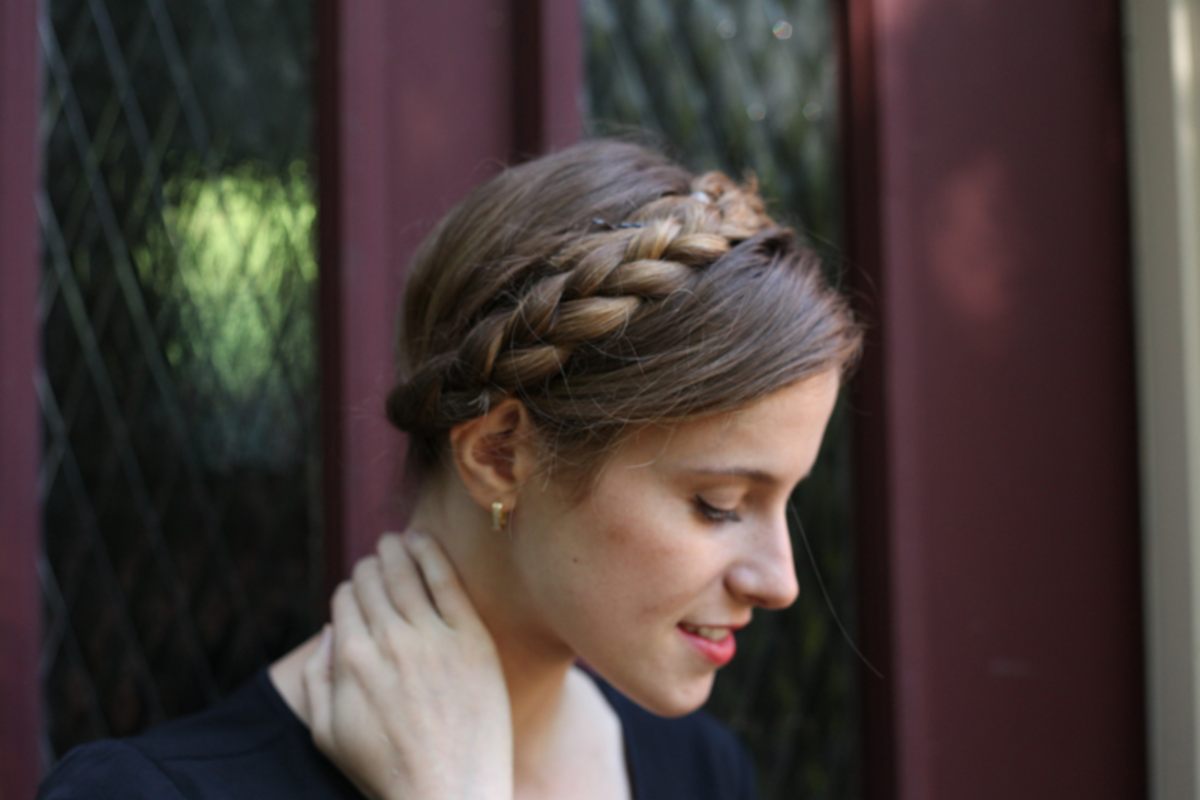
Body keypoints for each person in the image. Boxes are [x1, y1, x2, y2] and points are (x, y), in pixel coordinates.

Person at [38, 140, 861, 799]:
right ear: (500, 454)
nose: (781, 581)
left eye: (784, 500)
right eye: (718, 503)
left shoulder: (699, 771)